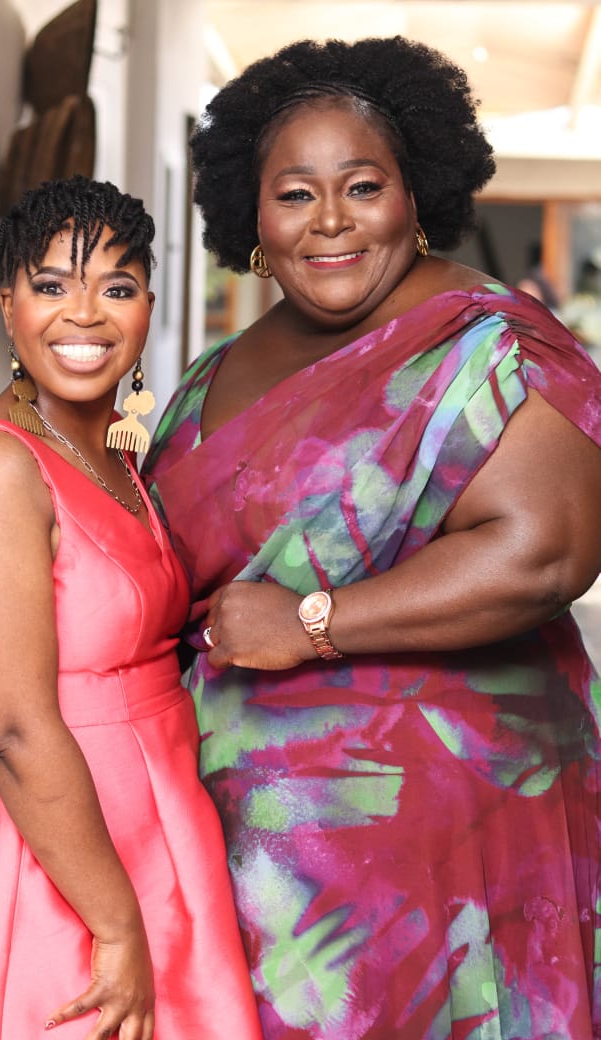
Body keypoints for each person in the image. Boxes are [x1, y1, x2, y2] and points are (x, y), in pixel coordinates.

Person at [143, 37, 601, 1040]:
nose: (331, 220)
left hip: (442, 857)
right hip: (248, 863)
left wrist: (313, 621)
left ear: (414, 194)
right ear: (253, 215)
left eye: (362, 185)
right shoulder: (210, 373)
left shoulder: (486, 341)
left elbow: (544, 555)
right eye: (294, 194)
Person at [0, 176, 262, 1040]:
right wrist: (115, 924)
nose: (85, 314)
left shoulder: (111, 455)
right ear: (9, 306)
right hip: (59, 868)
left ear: (147, 309)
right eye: (51, 285)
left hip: (158, 833)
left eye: (117, 287)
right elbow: (10, 727)